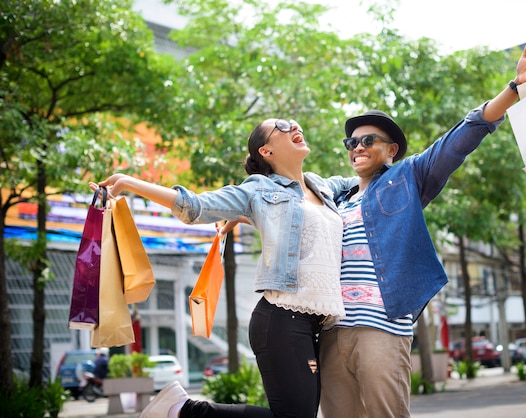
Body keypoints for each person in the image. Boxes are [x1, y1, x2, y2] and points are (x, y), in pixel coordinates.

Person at [318, 41, 526, 418]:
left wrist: (512, 88)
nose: (356, 147)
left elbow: (459, 139)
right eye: (351, 142)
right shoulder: (336, 199)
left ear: (391, 150)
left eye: (367, 141)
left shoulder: (407, 178)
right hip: (331, 332)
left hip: (381, 327)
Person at [91, 117, 345, 418]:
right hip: (282, 318)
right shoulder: (258, 190)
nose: (294, 126)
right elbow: (194, 206)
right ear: (266, 151)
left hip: (313, 323)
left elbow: (369, 180)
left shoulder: (326, 188)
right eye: (282, 126)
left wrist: (374, 148)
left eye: (294, 123)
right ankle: (183, 410)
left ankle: (181, 410)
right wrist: (132, 183)